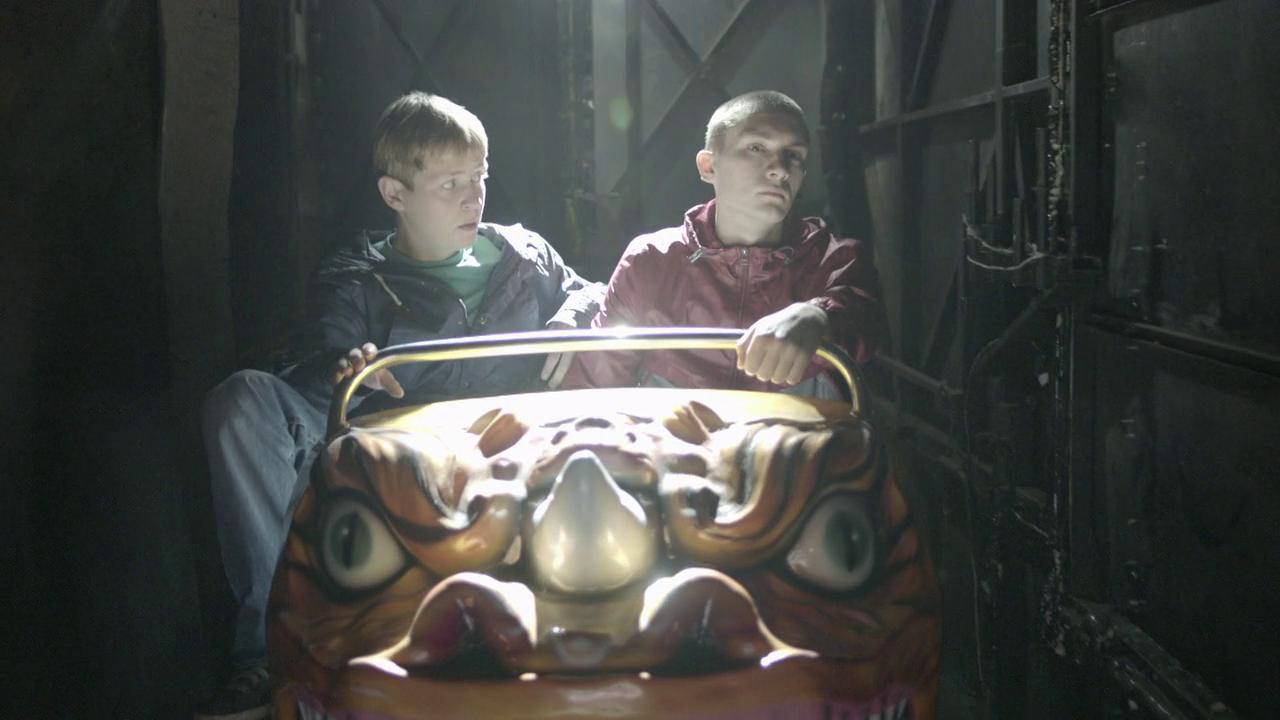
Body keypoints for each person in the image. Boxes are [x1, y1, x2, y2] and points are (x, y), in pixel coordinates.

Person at [195, 92, 602, 719]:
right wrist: (349, 368)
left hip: (513, 445)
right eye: (450, 184)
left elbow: (592, 291)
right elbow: (320, 354)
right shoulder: (359, 276)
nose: (473, 198)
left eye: (479, 177)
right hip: (398, 450)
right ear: (395, 194)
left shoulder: (524, 256)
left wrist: (573, 320)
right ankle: (270, 650)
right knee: (241, 401)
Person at [561, 90, 886, 398]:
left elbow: (861, 315)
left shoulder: (835, 261)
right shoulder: (652, 261)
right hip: (673, 437)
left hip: (793, 439)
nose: (779, 169)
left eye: (794, 156)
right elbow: (594, 389)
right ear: (708, 166)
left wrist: (818, 317)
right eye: (756, 148)